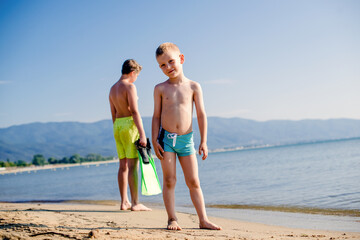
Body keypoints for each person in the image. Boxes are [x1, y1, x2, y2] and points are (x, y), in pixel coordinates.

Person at [152, 43, 221, 230]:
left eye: (171, 62)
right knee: (169, 180)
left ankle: (203, 219)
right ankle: (172, 218)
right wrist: (153, 140)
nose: (168, 68)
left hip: (187, 140)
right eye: (162, 65)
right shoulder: (160, 89)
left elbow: (201, 114)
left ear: (181, 59)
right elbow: (156, 116)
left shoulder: (193, 86)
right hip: (166, 141)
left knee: (193, 181)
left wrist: (204, 141)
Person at [109, 59, 151, 211]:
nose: (136, 79)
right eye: (137, 76)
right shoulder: (130, 86)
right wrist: (142, 133)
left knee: (123, 166)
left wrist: (117, 128)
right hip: (129, 126)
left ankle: (123, 202)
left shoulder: (112, 89)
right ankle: (135, 203)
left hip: (117, 127)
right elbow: (134, 111)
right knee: (133, 166)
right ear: (133, 73)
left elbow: (113, 113)